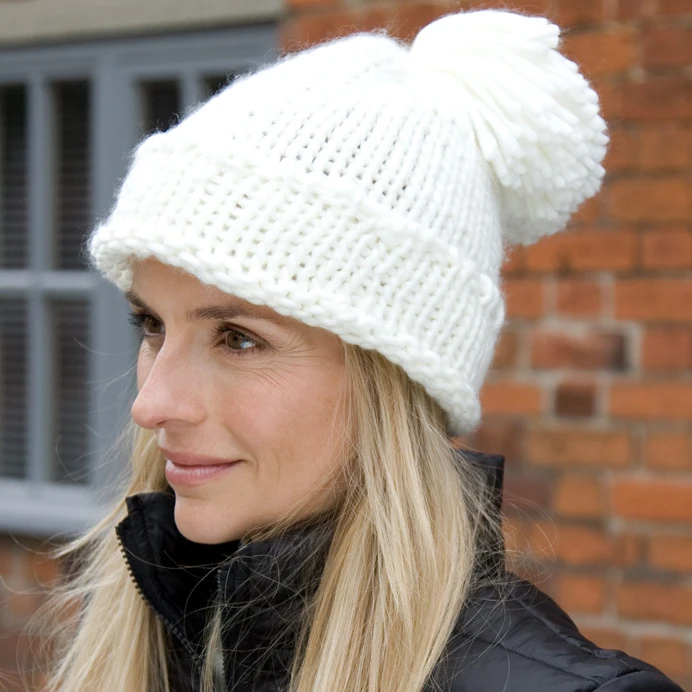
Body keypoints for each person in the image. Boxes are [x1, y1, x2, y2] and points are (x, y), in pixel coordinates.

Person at [39, 8, 683, 692]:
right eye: (151, 325)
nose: (150, 404)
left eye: (239, 339)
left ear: (393, 378)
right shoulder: (155, 632)